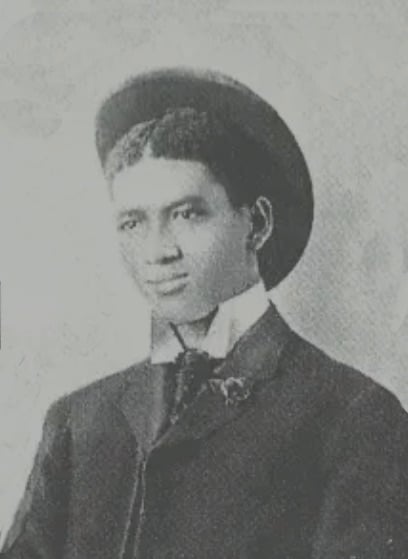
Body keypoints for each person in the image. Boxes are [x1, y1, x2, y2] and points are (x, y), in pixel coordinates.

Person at [2, 67, 408, 559]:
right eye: (133, 223)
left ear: (255, 224)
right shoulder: (77, 422)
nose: (157, 251)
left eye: (187, 214)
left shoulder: (354, 417)